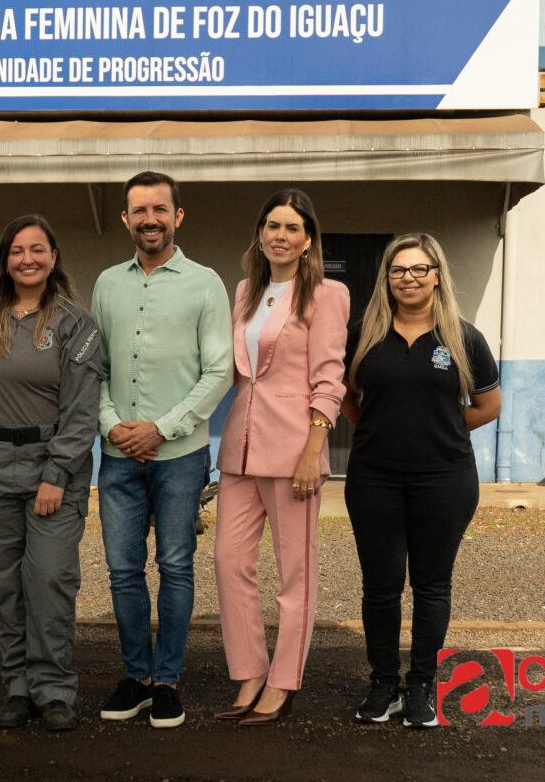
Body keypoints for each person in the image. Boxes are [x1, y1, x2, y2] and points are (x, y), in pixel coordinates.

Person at [341, 232, 502, 728]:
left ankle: (422, 685)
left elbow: (488, 405)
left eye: (418, 269)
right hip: (375, 478)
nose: (407, 278)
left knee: (432, 585)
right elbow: (346, 396)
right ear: (386, 279)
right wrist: (376, 430)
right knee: (381, 586)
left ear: (436, 276)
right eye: (397, 270)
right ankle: (384, 683)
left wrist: (443, 431)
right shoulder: (361, 334)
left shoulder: (463, 337)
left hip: (444, 479)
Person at [91, 170, 232, 729]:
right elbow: (94, 368)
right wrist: (111, 424)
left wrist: (163, 428)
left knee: (175, 566)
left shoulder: (206, 283)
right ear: (126, 219)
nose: (149, 219)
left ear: (179, 216)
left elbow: (219, 370)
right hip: (119, 453)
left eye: (160, 209)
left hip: (180, 456)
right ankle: (136, 676)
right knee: (123, 570)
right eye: (138, 211)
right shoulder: (107, 284)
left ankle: (168, 679)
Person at [0, 215, 103, 733]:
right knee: (7, 586)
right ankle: (17, 688)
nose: (27, 259)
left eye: (37, 249)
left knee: (49, 579)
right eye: (17, 251)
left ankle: (55, 688)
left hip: (49, 466)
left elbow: (83, 410)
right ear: (5, 260)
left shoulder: (73, 324)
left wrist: (58, 473)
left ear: (53, 257)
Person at [213, 190, 349, 725]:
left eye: (292, 228)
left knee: (296, 574)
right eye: (272, 225)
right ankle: (249, 669)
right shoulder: (247, 290)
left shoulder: (327, 294)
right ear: (260, 233)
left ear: (309, 239)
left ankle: (284, 680)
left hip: (296, 450)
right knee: (229, 562)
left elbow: (329, 375)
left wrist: (314, 451)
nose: (280, 236)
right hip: (239, 448)